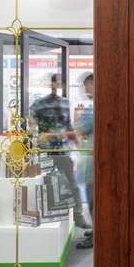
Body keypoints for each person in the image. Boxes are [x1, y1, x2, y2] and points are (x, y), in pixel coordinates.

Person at [29, 74, 89, 228]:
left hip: (63, 151)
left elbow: (67, 125)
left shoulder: (65, 103)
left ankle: (78, 217)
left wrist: (75, 141)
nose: (58, 86)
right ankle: (45, 216)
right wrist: (33, 129)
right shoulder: (39, 103)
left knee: (72, 185)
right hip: (45, 152)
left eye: (61, 84)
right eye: (56, 83)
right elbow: (30, 121)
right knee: (44, 185)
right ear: (52, 84)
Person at [75, 73, 95, 250]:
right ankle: (97, 229)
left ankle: (97, 235)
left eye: (86, 86)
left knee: (93, 195)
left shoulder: (92, 108)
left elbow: (81, 126)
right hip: (93, 156)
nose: (85, 90)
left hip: (94, 158)